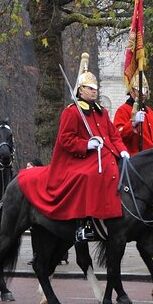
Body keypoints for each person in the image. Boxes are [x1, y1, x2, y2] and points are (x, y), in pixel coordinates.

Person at [18, 53, 129, 242]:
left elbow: (113, 135)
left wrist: (122, 150)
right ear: (80, 90)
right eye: (89, 88)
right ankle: (83, 225)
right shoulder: (72, 112)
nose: (94, 91)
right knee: (88, 175)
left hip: (106, 155)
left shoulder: (101, 112)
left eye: (95, 88)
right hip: (80, 159)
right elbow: (66, 140)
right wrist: (87, 144)